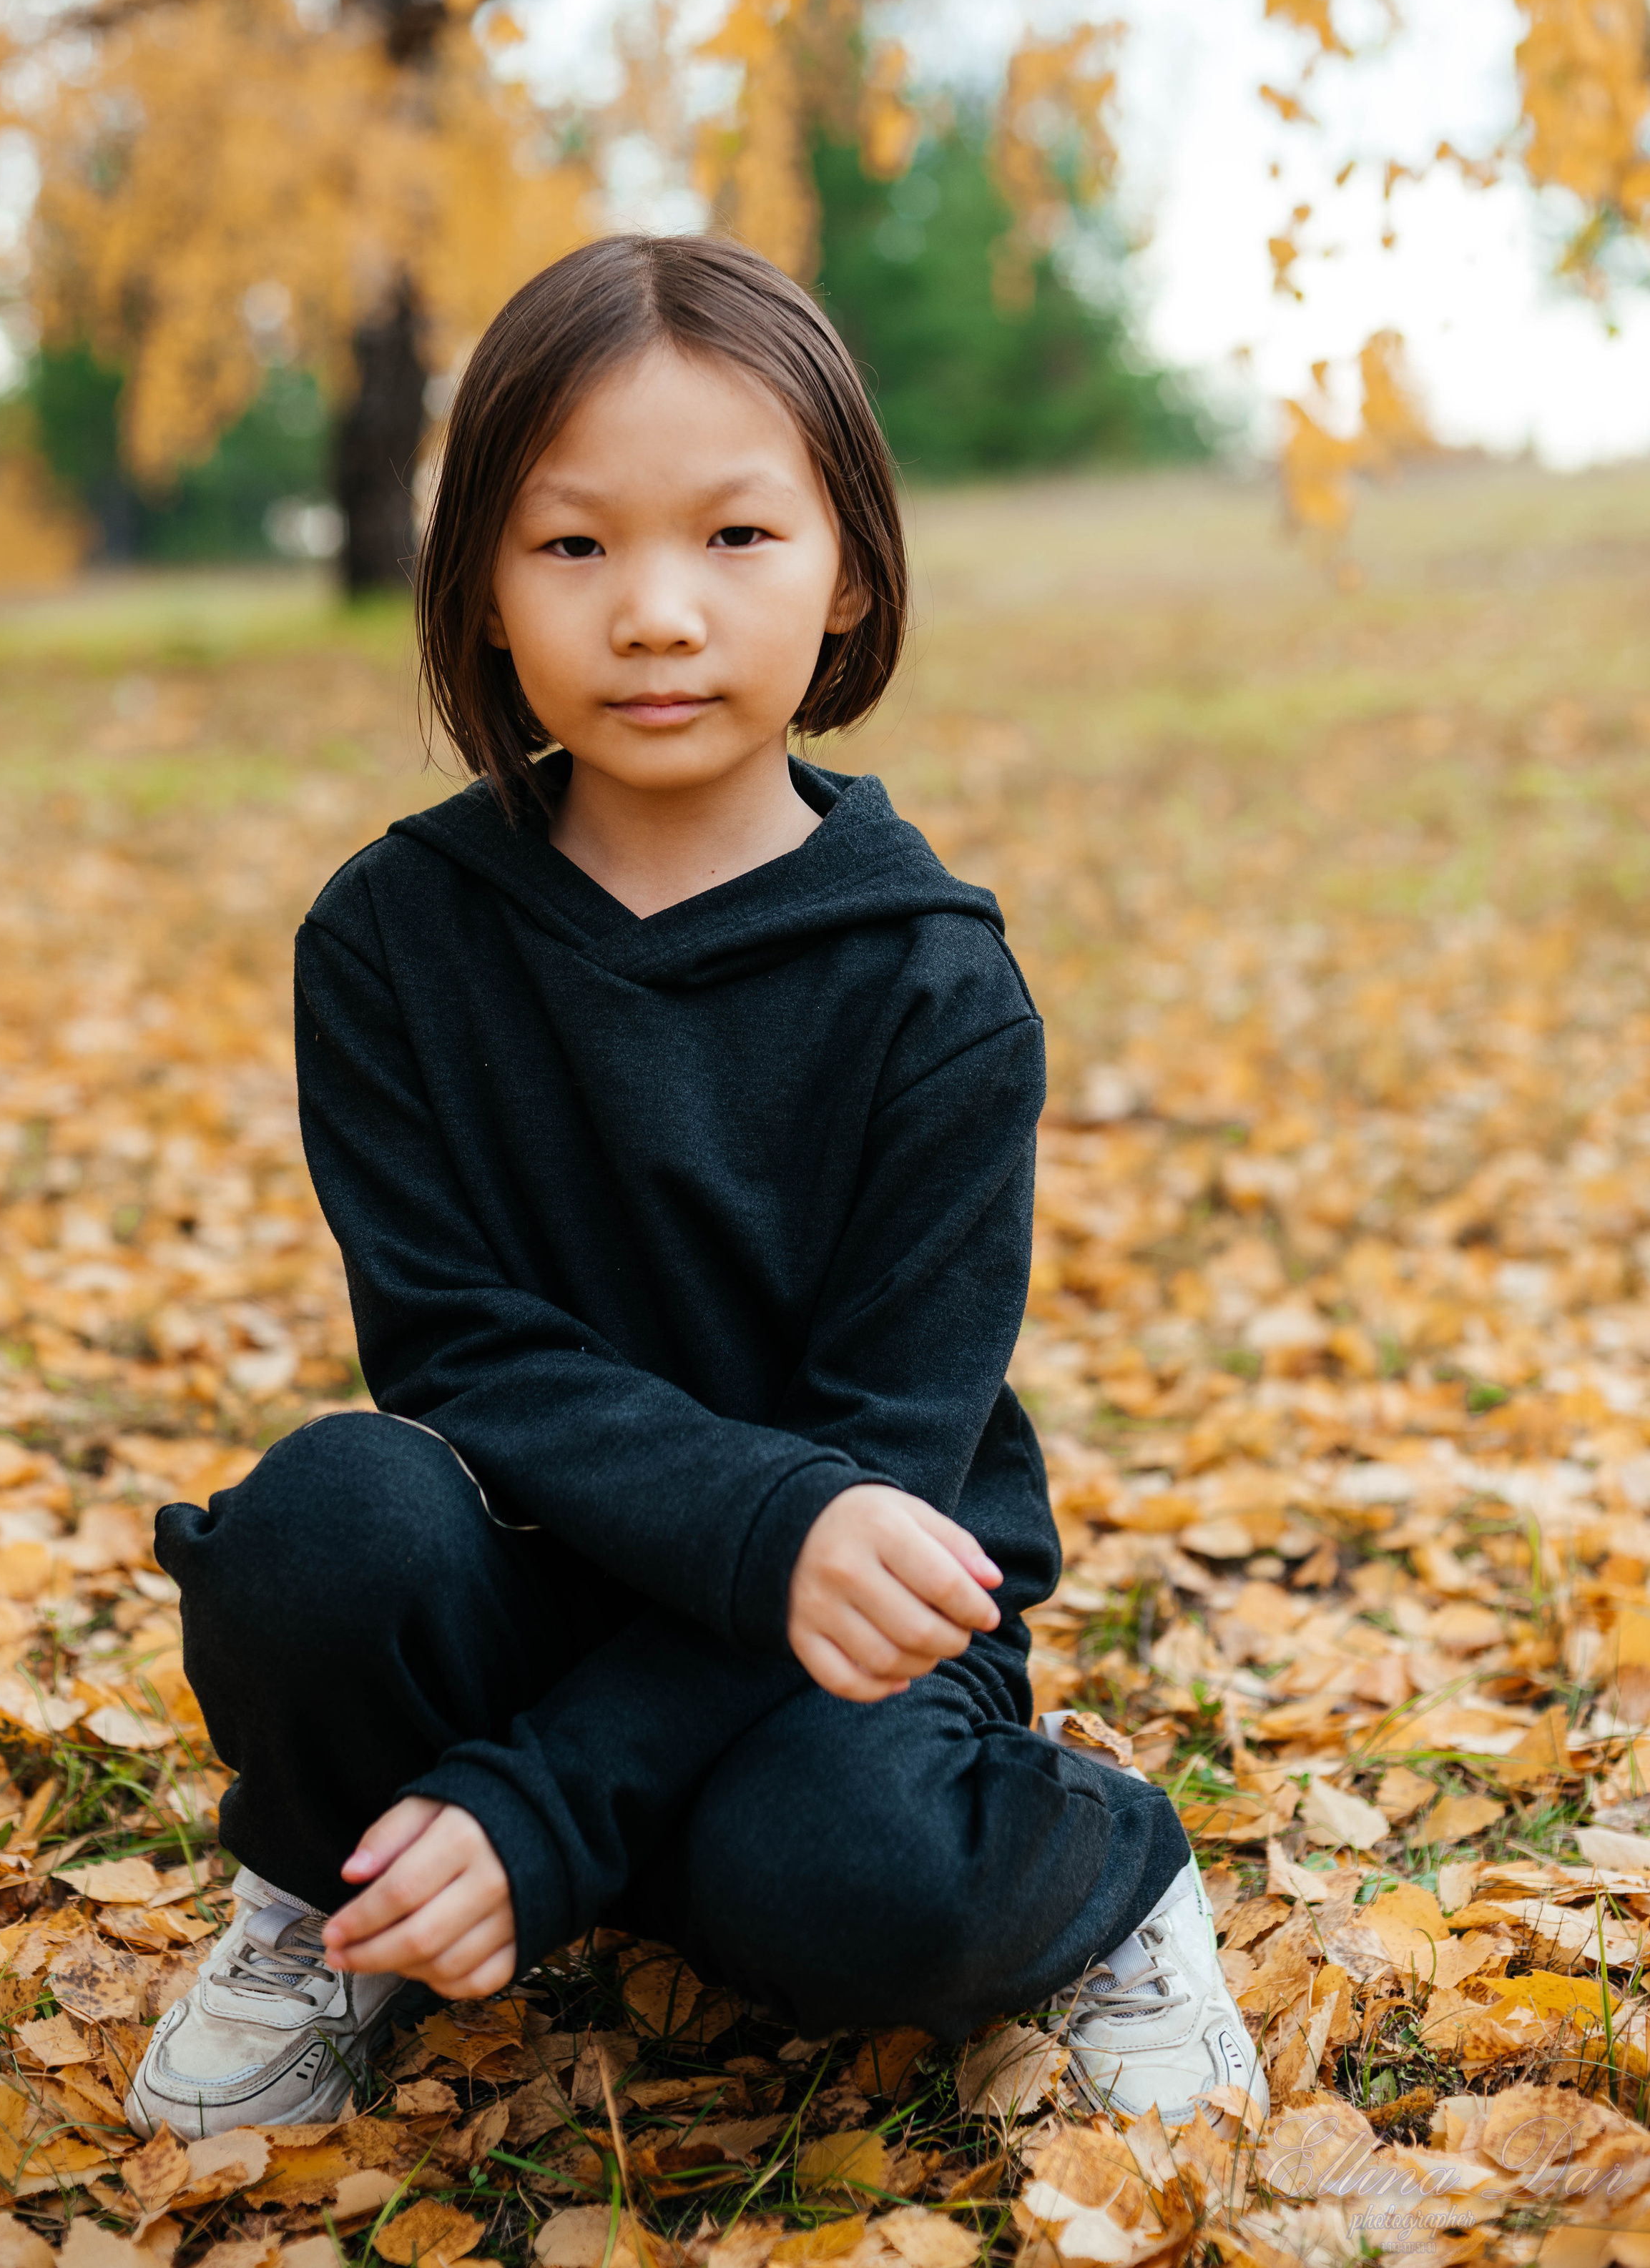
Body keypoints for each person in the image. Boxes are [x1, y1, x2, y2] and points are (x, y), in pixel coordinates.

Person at [128, 234, 1264, 2145]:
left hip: (854, 1621)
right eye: (574, 546)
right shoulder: (391, 941)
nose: (656, 613)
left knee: (837, 1879)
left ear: (852, 576)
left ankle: (1112, 1877)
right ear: (482, 589)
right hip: (533, 1567)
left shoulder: (936, 987)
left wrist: (552, 1798)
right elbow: (462, 1350)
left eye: (736, 537)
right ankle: (349, 1895)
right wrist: (567, 1738)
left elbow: (879, 1455)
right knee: (326, 1524)